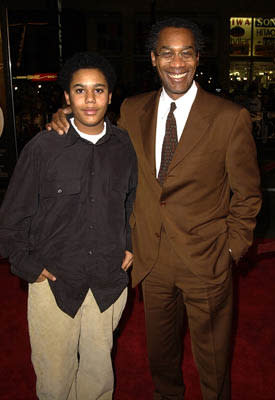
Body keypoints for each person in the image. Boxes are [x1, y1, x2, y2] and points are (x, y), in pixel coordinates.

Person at [48, 18, 262, 400]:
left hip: (207, 260)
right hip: (151, 260)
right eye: (166, 52)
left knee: (213, 361)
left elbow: (247, 194)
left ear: (198, 58)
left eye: (185, 53)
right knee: (161, 359)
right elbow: (101, 138)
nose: (176, 62)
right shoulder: (132, 110)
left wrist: (232, 248)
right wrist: (66, 117)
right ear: (153, 58)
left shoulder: (230, 118)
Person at [0, 52, 137, 400]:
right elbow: (13, 215)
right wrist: (28, 264)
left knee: (98, 374)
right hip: (54, 282)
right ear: (66, 97)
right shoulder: (43, 147)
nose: (89, 100)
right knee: (54, 378)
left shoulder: (124, 146)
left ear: (110, 95)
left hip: (107, 281)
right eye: (80, 90)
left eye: (98, 90)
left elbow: (134, 202)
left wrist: (131, 244)